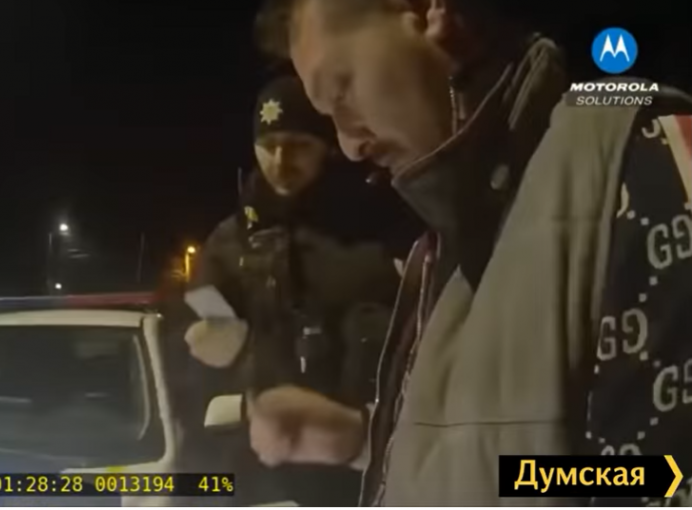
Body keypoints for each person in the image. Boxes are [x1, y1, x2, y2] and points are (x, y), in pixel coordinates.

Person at [248, 0, 692, 506]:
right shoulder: (446, 250)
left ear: (428, 12)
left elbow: (659, 478)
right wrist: (358, 441)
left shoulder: (644, 161)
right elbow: (530, 460)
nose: (347, 145)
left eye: (340, 90)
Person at [184, 75, 422, 506]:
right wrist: (211, 336)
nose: (280, 160)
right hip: (270, 466)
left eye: (297, 145)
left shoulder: (378, 228)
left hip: (367, 458)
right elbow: (194, 314)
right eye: (268, 145)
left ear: (326, 146)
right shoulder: (232, 240)